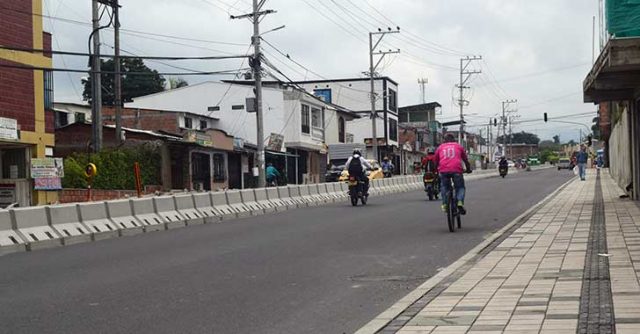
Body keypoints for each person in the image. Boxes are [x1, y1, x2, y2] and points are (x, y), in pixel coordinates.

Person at [434, 133, 472, 215]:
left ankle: (444, 204)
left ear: (444, 140)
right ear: (453, 139)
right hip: (457, 170)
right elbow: (465, 160)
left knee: (444, 187)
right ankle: (459, 202)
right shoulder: (458, 146)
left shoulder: (440, 147)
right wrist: (468, 169)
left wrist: (436, 171)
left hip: (443, 170)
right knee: (460, 187)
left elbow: (436, 161)